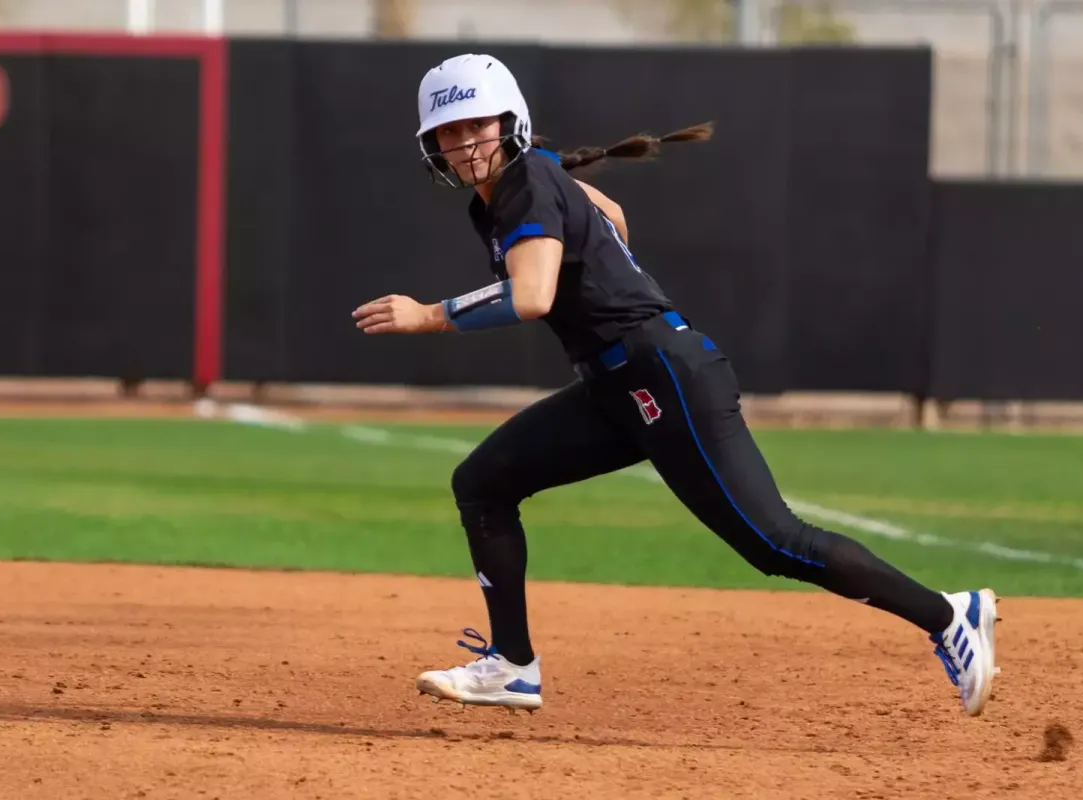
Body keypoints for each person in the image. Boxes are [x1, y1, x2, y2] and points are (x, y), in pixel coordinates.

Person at [352, 53, 999, 718]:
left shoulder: (523, 183)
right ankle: (511, 666)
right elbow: (613, 214)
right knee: (482, 483)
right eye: (448, 133)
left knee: (775, 542)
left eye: (476, 125)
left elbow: (533, 296)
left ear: (510, 121)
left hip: (661, 373)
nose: (464, 144)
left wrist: (428, 315)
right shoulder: (519, 187)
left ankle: (948, 614)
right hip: (618, 382)